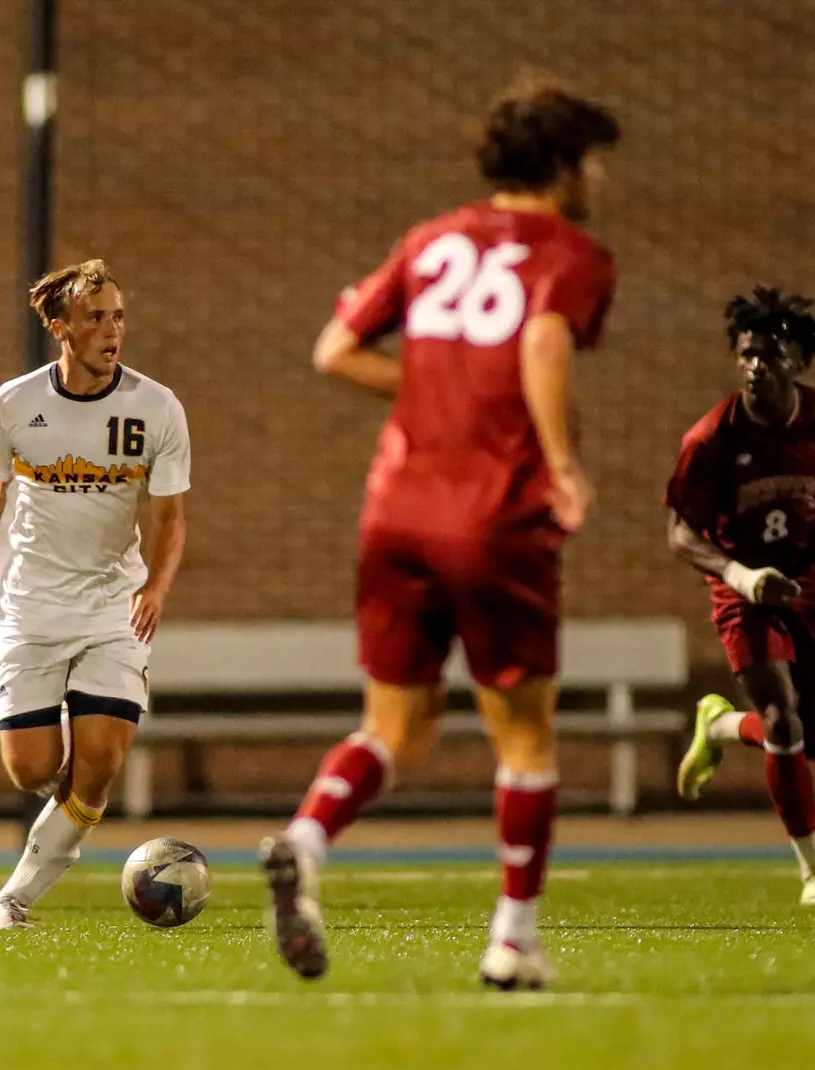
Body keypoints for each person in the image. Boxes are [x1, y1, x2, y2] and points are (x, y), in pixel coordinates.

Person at [258, 77, 620, 990]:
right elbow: (542, 344)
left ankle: (306, 838)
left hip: (397, 511)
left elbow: (333, 350)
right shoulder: (572, 254)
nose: (602, 179)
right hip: (494, 515)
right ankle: (514, 941)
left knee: (396, 726)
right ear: (565, 166)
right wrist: (563, 464)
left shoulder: (429, 242)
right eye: (593, 161)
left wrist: (430, 389)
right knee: (525, 738)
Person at [0, 259, 190, 929]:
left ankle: (13, 899)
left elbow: (169, 516)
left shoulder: (155, 407)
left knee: (99, 764)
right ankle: (71, 817)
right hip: (31, 608)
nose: (113, 331)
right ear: (60, 329)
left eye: (119, 316)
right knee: (31, 769)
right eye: (96, 318)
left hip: (114, 606)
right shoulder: (16, 404)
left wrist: (156, 587)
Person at [666, 287, 815, 906]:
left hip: (810, 586)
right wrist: (739, 576)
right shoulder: (711, 439)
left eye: (770, 354)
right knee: (784, 719)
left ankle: (721, 725)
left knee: (812, 740)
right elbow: (679, 533)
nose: (756, 365)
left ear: (797, 360)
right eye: (746, 354)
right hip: (745, 592)